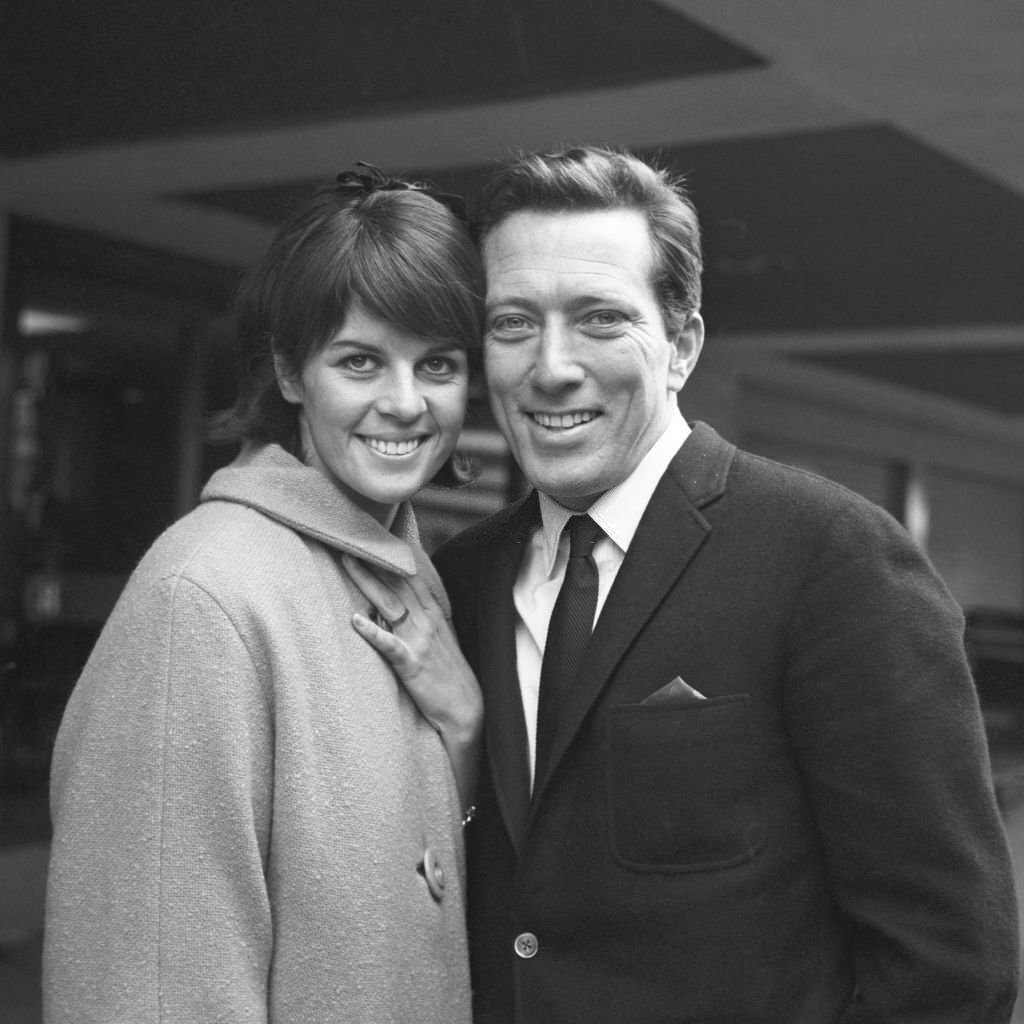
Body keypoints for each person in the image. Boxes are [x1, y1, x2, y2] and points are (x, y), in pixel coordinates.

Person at [358, 145, 1020, 1022]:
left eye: (599, 318)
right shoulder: (460, 579)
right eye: (514, 323)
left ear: (682, 346)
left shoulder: (833, 558)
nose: (551, 365)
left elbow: (950, 967)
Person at [42, 166, 485, 1024]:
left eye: (437, 364)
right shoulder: (202, 596)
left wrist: (464, 726)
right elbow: (152, 993)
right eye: (360, 361)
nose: (405, 403)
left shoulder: (402, 568)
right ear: (290, 372)